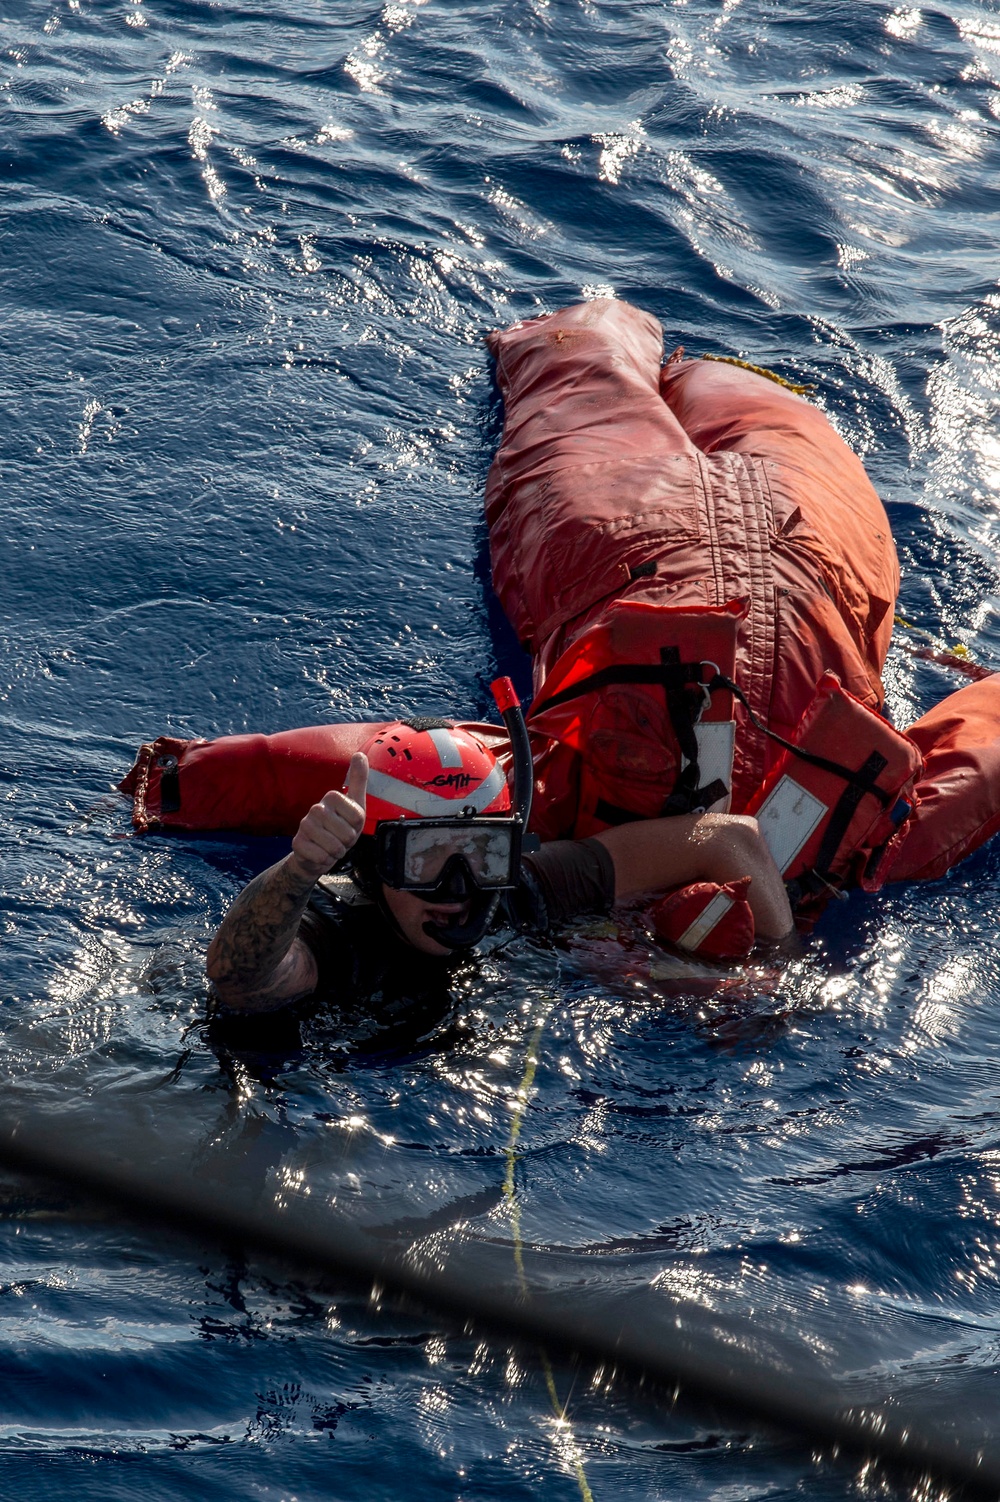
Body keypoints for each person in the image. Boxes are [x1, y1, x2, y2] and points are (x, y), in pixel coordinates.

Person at [206, 719, 794, 1015]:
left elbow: (733, 842)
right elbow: (239, 977)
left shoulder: (516, 890)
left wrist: (776, 974)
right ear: (372, 863)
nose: (459, 888)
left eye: (481, 850)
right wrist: (300, 870)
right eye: (426, 857)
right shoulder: (338, 930)